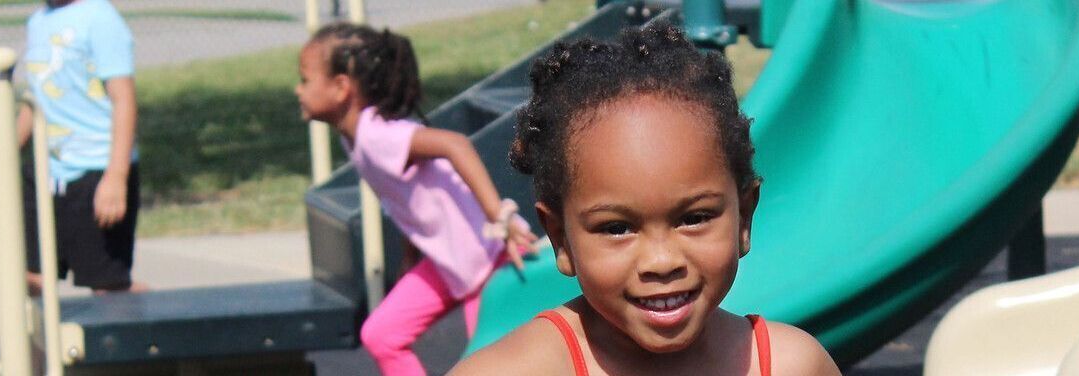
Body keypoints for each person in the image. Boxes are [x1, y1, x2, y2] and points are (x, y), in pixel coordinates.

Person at [449, 24, 840, 375]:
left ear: (744, 217)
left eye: (694, 217)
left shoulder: (793, 365)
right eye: (616, 228)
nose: (662, 261)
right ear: (560, 238)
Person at [294, 23, 539, 375]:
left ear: (340, 88)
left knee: (486, 361)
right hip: (449, 263)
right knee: (381, 335)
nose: (298, 90)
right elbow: (410, 196)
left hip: (487, 259)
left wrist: (497, 217)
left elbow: (455, 145)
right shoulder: (356, 137)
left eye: (305, 79)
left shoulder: (378, 136)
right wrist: (411, 256)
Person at [15, 0, 144, 295]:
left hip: (96, 171)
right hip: (47, 172)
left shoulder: (100, 18)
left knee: (108, 290)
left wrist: (116, 176)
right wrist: (0, 154)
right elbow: (36, 101)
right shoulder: (38, 22)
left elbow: (124, 100)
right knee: (30, 278)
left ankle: (168, 323)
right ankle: (46, 344)